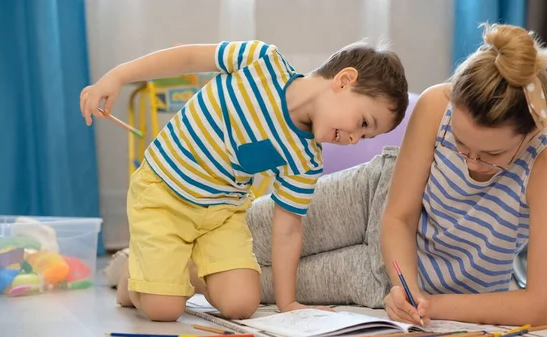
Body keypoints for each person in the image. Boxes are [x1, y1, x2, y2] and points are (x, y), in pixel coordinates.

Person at [79, 39, 409, 321]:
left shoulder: (307, 159)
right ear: (343, 80)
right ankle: (130, 274)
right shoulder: (262, 60)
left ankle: (167, 268)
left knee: (242, 305)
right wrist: (118, 75)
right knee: (163, 310)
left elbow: (289, 228)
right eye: (363, 122)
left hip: (220, 215)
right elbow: (188, 57)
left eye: (365, 137)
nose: (354, 139)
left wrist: (287, 303)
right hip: (164, 191)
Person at [380, 23, 547, 326]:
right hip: (377, 219)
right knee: (280, 241)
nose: (471, 163)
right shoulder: (435, 105)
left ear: (530, 132)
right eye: (459, 143)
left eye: (491, 155)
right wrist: (406, 288)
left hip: (399, 288)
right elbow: (397, 217)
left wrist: (426, 303)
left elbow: (546, 306)